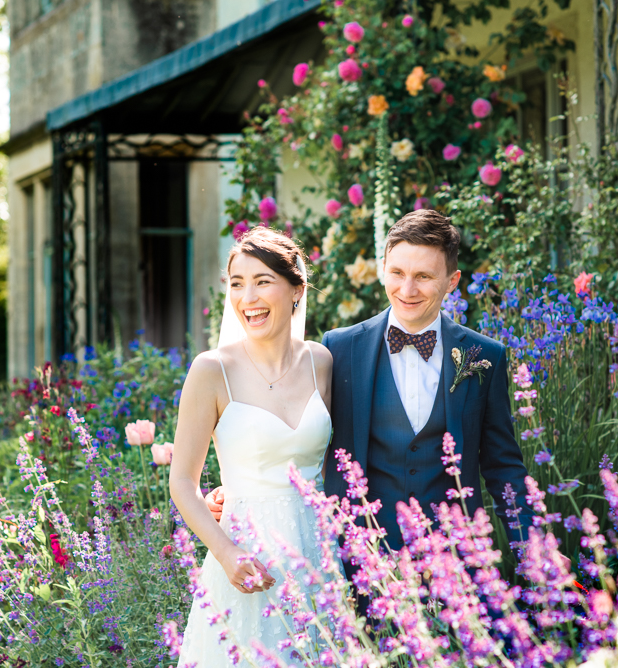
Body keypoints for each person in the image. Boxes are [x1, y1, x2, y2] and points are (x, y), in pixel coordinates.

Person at [169, 228, 335, 667]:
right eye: (237, 284)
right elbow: (182, 481)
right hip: (247, 559)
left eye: (262, 281)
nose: (248, 298)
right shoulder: (212, 371)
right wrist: (226, 553)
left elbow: (332, 465)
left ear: (297, 289)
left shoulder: (321, 362)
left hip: (317, 555)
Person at [321, 209, 532, 551]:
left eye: (423, 276)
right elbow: (307, 447)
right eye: (397, 273)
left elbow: (502, 466)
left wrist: (535, 549)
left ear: (452, 281)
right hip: (366, 556)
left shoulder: (486, 356)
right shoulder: (339, 349)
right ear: (383, 268)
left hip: (457, 557)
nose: (407, 290)